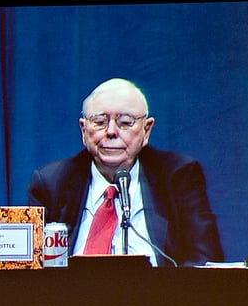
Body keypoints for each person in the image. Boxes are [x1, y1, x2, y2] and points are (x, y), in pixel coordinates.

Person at [27, 77, 224, 267]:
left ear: (146, 130)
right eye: (100, 121)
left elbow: (205, 261)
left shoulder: (178, 177)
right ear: (83, 130)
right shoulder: (51, 183)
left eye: (125, 122)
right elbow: (32, 273)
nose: (111, 131)